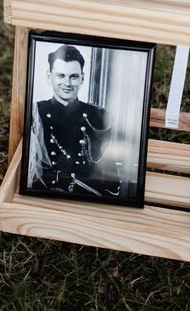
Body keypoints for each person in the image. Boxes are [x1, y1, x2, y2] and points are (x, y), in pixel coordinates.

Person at [27, 44, 121, 198]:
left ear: (82, 78)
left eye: (73, 76)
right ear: (49, 76)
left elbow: (112, 181)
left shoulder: (98, 115)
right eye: (61, 75)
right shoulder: (36, 112)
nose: (67, 83)